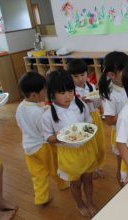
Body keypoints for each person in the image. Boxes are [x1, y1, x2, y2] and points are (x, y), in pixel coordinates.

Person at [42, 70, 99, 217]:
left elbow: (89, 121)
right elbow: (48, 137)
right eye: (62, 92)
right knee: (75, 183)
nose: (68, 95)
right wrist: (58, 138)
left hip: (86, 149)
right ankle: (80, 204)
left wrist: (89, 129)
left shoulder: (79, 104)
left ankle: (90, 201)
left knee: (88, 179)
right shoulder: (48, 114)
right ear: (52, 93)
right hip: (69, 154)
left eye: (70, 90)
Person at [16, 71, 69, 206]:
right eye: (44, 90)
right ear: (34, 95)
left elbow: (21, 124)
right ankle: (63, 184)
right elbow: (46, 132)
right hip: (43, 147)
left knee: (38, 174)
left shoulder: (21, 106)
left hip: (29, 147)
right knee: (55, 167)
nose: (46, 92)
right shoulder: (39, 113)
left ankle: (41, 198)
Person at [68, 58, 106, 179]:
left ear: (87, 73)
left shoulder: (90, 86)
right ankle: (91, 168)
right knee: (90, 145)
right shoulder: (70, 91)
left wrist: (97, 99)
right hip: (82, 120)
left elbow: (97, 103)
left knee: (100, 143)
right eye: (76, 76)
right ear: (70, 77)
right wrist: (80, 101)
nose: (80, 78)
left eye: (83, 74)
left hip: (95, 116)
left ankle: (99, 166)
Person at [98, 51, 128, 186]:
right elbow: (109, 120)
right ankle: (122, 190)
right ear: (111, 75)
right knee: (122, 164)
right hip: (120, 134)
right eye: (125, 71)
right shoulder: (111, 94)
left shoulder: (127, 83)